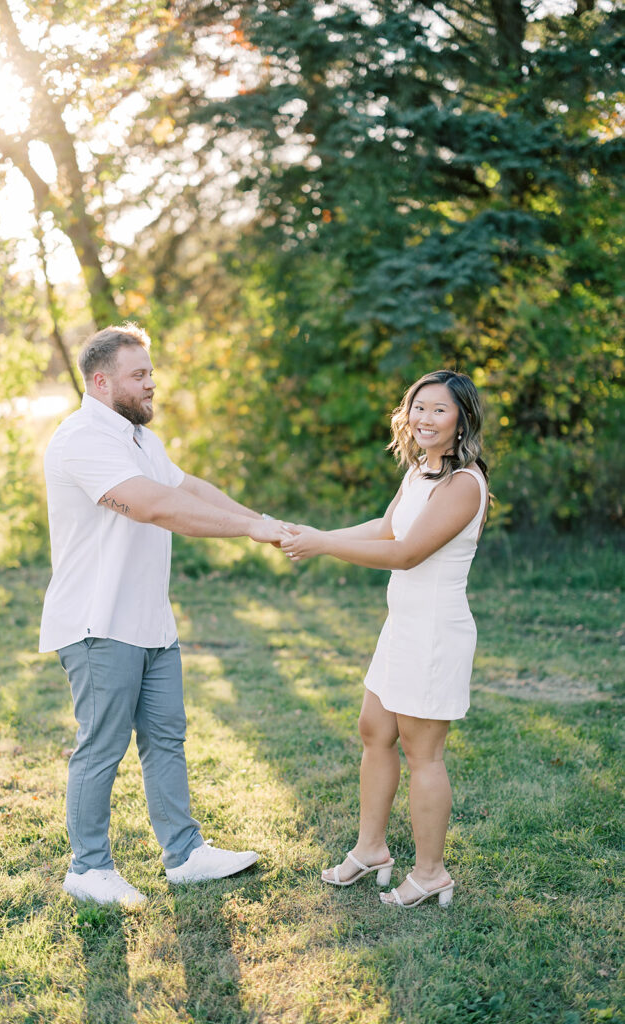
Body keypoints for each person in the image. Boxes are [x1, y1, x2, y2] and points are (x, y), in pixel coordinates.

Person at [39, 322, 286, 908]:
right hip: (99, 623)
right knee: (101, 747)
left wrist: (261, 522)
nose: (152, 384)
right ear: (101, 382)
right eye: (139, 375)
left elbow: (187, 488)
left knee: (166, 739)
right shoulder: (81, 439)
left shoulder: (141, 439)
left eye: (151, 372)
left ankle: (185, 854)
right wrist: (248, 530)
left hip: (151, 620)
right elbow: (155, 506)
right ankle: (88, 868)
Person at [281, 370, 490, 909]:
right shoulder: (421, 472)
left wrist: (325, 546)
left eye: (439, 410)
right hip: (401, 627)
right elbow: (385, 528)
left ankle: (431, 873)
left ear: (462, 419)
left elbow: (405, 553)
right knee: (374, 730)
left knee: (424, 753)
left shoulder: (464, 485)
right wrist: (314, 536)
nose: (425, 418)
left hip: (435, 633)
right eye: (419, 406)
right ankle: (372, 850)